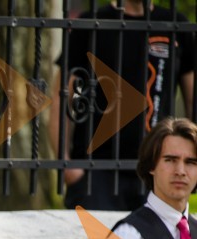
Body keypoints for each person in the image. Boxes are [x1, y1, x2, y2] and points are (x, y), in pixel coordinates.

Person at [49, 0, 195, 210]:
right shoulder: (92, 23)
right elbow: (61, 96)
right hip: (95, 172)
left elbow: (193, 103)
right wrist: (66, 166)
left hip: (159, 170)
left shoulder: (176, 24)